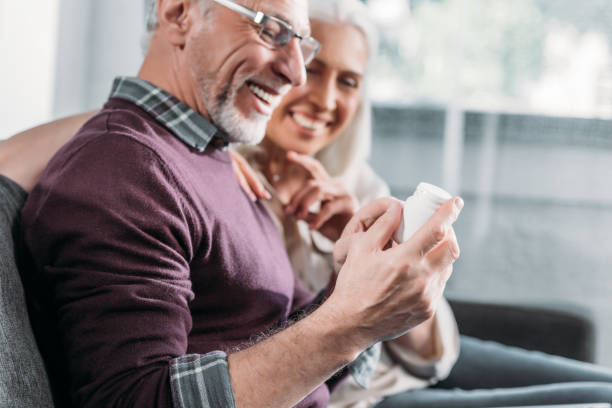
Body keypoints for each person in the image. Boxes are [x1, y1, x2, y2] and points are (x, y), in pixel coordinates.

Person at [6, 0, 612, 407]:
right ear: (179, 11)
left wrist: (354, 287)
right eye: (271, 29)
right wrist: (352, 321)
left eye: (301, 42)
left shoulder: (213, 156)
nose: (297, 72)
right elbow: (137, 399)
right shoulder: (122, 172)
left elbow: (301, 341)